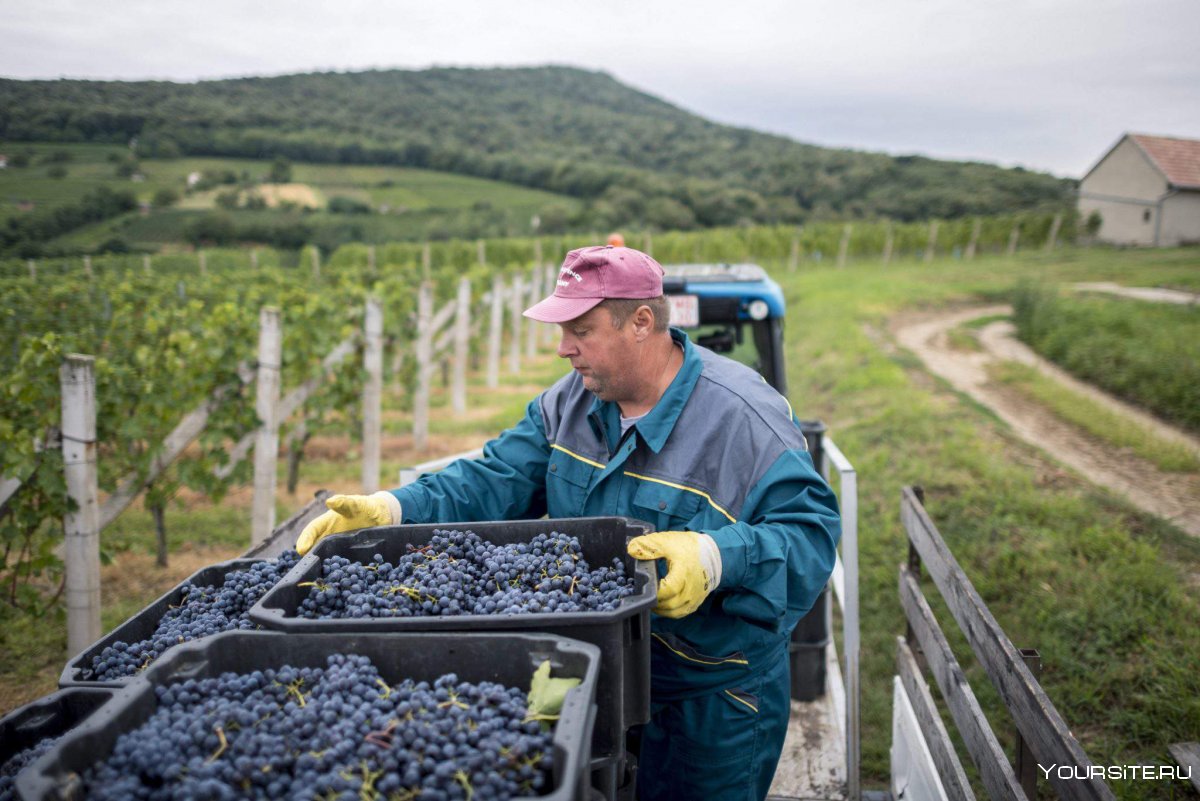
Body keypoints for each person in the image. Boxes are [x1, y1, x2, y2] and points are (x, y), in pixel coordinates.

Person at [296, 245, 841, 801]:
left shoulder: (744, 419)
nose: (563, 350)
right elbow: (492, 478)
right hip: (590, 675)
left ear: (642, 323)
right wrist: (393, 509)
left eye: (580, 330)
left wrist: (715, 556)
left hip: (707, 697)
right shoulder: (568, 406)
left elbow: (810, 535)